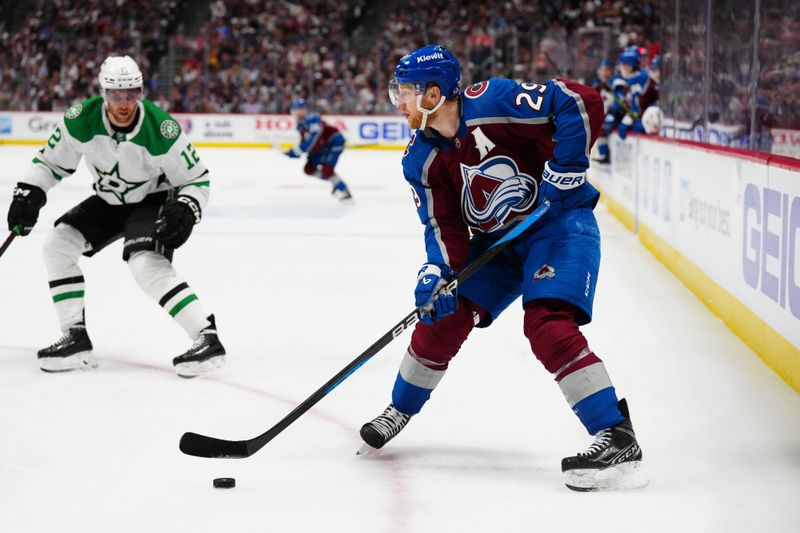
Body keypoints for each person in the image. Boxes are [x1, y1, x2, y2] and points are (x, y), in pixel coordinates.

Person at [358, 45, 646, 491]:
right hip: (498, 243)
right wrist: (437, 271)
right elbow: (443, 225)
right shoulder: (420, 158)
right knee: (443, 315)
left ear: (434, 94)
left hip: (558, 225)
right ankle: (400, 408)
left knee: (547, 324)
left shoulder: (493, 101)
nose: (399, 101)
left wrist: (568, 166)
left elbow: (578, 100)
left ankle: (616, 435)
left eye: (406, 91)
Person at [5, 55, 226, 378]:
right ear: (103, 93)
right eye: (115, 95)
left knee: (144, 263)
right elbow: (50, 162)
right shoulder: (81, 118)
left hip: (152, 200)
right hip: (110, 200)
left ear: (140, 93)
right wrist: (30, 191)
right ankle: (75, 339)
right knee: (57, 245)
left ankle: (206, 338)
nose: (124, 103)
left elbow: (197, 178)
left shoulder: (161, 129)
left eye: (131, 94)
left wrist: (187, 207)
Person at [283, 98, 352, 201]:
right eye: (294, 110)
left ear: (303, 109)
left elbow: (314, 139)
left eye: (298, 109)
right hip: (322, 147)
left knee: (327, 170)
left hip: (333, 144)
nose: (295, 113)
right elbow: (306, 142)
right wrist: (295, 153)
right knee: (309, 168)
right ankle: (335, 182)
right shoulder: (300, 124)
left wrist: (298, 150)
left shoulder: (313, 118)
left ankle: (343, 190)